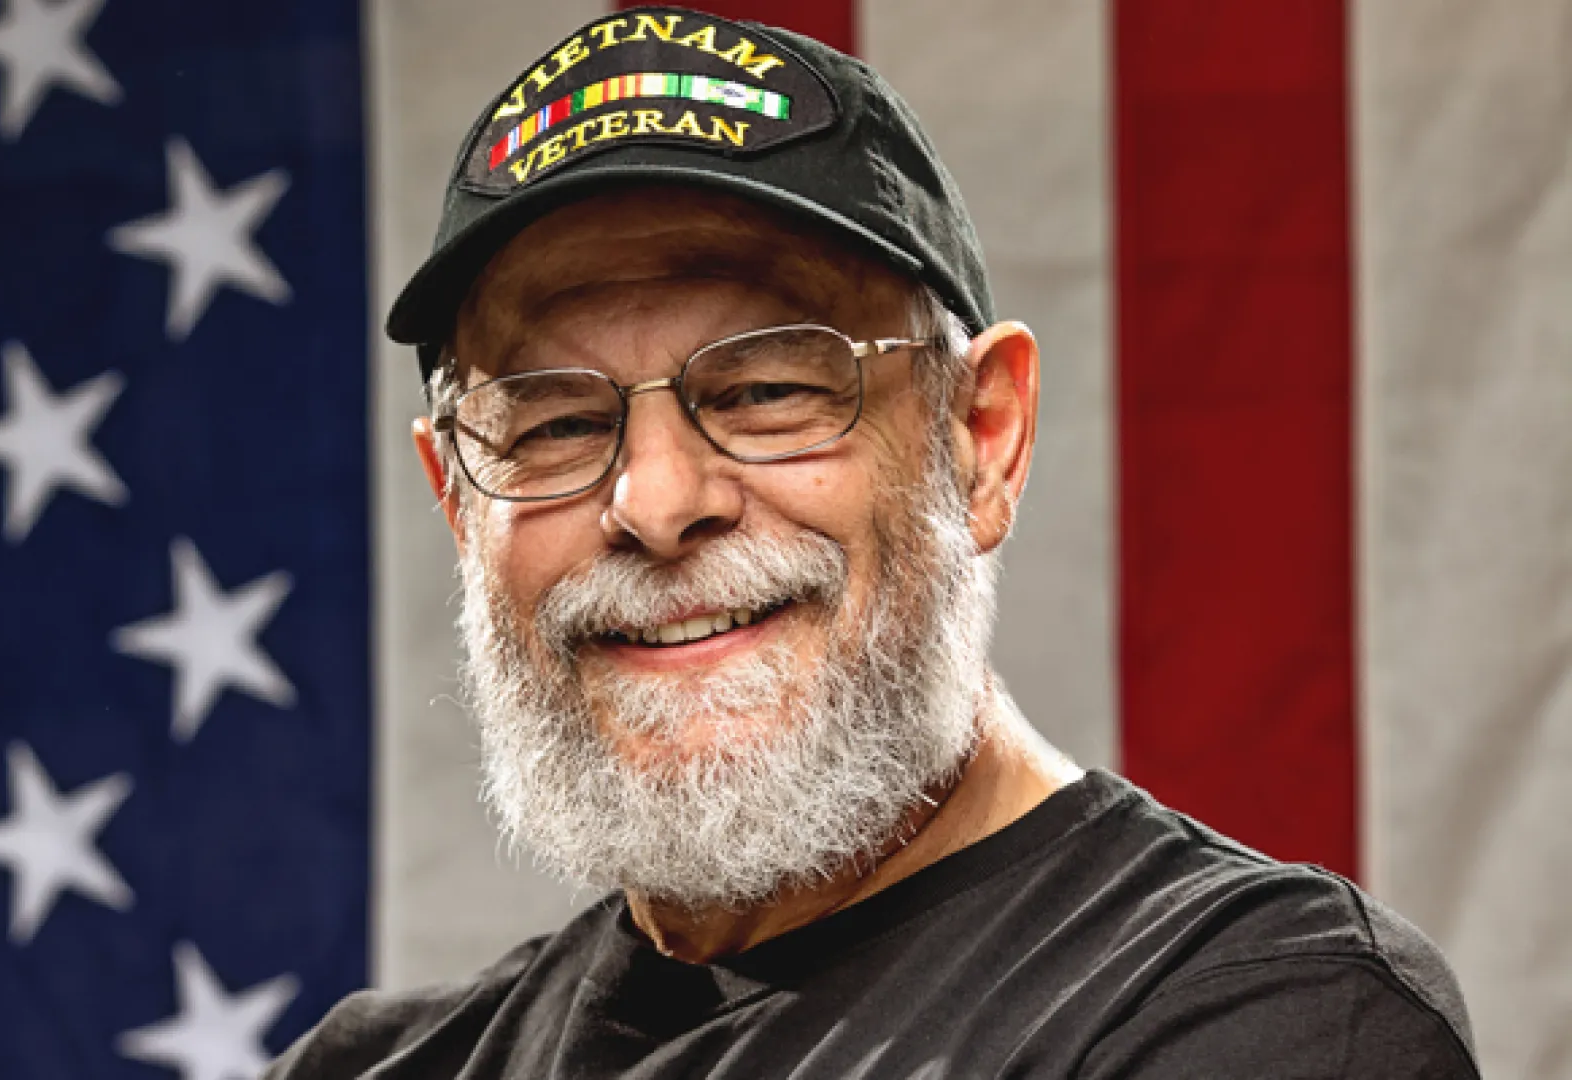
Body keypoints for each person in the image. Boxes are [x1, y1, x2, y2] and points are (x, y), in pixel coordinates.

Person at [268, 8, 1478, 1077]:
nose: (653, 500)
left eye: (764, 391)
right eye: (558, 421)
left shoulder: (1256, 1015)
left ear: (982, 439)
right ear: (456, 501)